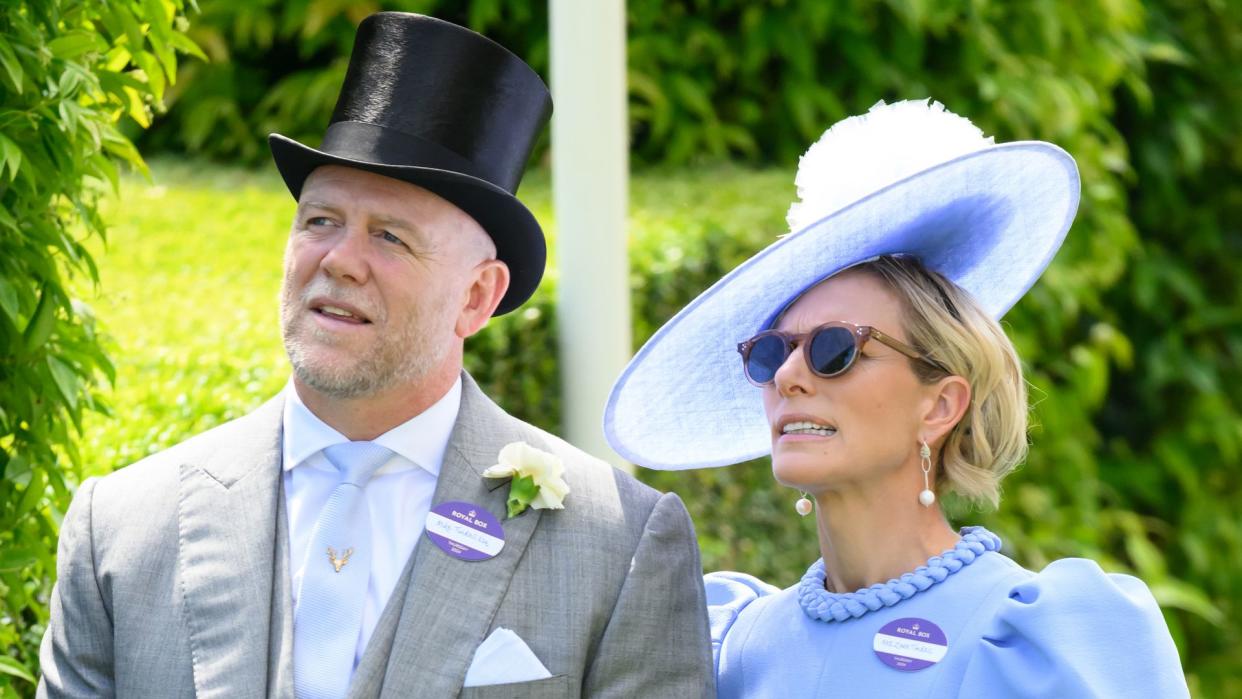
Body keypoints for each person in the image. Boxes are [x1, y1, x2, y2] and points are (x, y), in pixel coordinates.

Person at [38, 13, 713, 698]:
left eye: (390, 237)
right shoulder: (120, 527)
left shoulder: (621, 545)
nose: (340, 261)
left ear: (478, 297)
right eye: (321, 220)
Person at [605, 99, 1189, 697]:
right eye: (771, 352)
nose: (787, 377)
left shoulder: (1038, 641)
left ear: (940, 405)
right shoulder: (733, 644)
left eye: (836, 349)